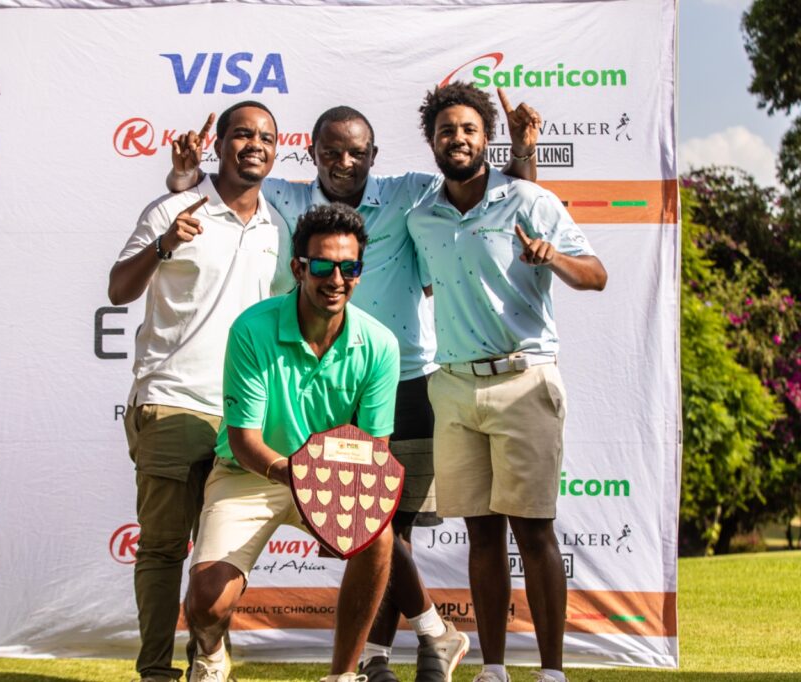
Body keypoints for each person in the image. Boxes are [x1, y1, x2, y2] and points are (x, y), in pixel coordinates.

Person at [167, 90, 542, 682]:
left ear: (375, 154)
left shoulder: (408, 193)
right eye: (331, 152)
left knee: (387, 530)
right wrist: (184, 176)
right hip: (281, 431)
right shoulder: (284, 200)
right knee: (370, 534)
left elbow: (489, 196)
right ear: (311, 152)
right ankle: (415, 641)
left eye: (357, 152)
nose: (344, 162)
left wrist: (524, 155)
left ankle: (367, 662)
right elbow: (223, 193)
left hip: (406, 377)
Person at [406, 82, 608, 682]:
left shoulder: (528, 200)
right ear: (432, 142)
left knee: (536, 531)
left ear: (485, 137)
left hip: (523, 380)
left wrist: (554, 259)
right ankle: (493, 669)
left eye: (468, 129)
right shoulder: (421, 218)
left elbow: (595, 276)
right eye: (447, 131)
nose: (458, 139)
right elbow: (417, 284)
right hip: (454, 387)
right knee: (481, 534)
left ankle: (551, 673)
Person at [108, 100, 292, 682]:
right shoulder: (174, 206)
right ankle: (156, 671)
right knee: (164, 550)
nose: (254, 145)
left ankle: (206, 665)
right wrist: (163, 244)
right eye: (242, 134)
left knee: (219, 557)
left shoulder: (278, 226)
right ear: (219, 143)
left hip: (242, 420)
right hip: (171, 403)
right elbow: (117, 289)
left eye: (265, 136)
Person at [183, 204, 398, 682]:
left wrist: (335, 496)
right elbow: (244, 442)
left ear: (361, 272)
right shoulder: (253, 328)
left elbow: (373, 449)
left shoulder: (380, 344)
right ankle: (212, 652)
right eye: (322, 265)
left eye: (350, 267)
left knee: (379, 539)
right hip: (251, 475)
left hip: (328, 476)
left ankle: (342, 675)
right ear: (298, 268)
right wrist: (301, 475)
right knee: (206, 601)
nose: (336, 278)